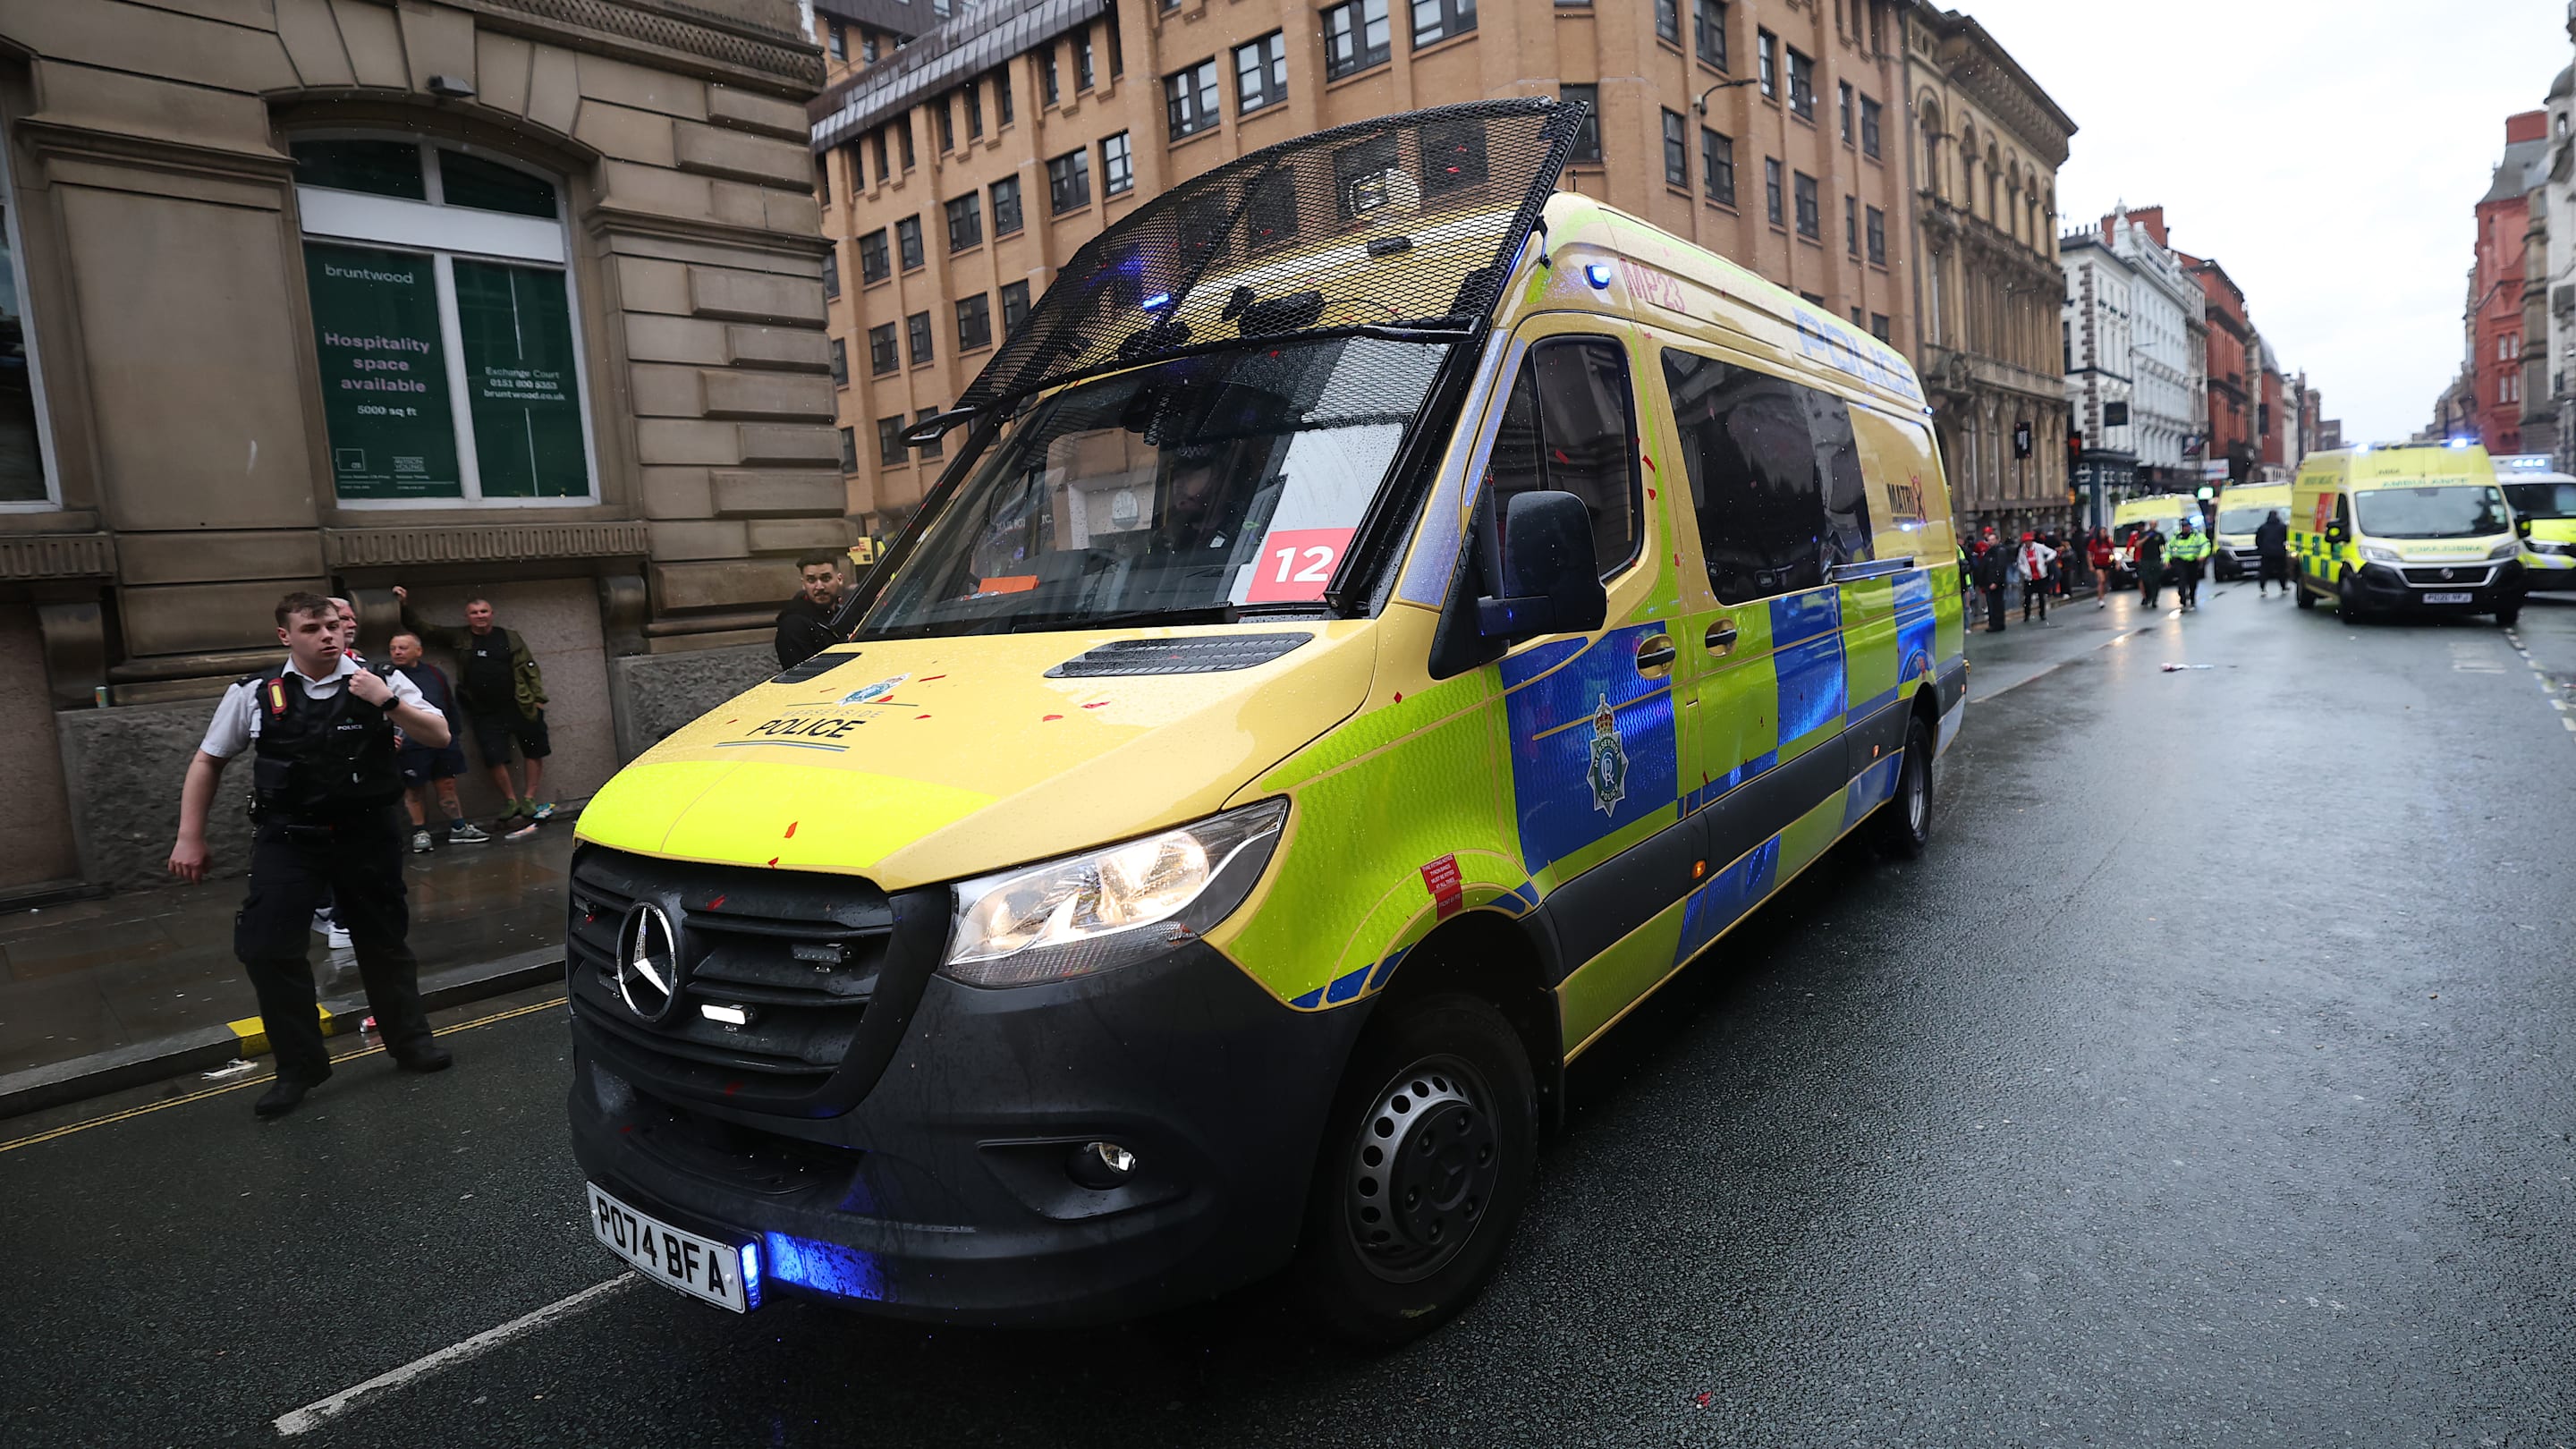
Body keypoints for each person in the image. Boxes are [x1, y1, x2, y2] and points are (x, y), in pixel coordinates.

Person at [165, 591, 454, 1117]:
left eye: (332, 626)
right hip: (290, 839)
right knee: (267, 947)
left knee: (383, 943)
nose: (326, 636)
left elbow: (438, 734)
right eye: (311, 628)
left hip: (367, 834)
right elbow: (208, 759)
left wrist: (385, 702)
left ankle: (410, 1043)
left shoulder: (381, 679)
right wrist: (190, 835)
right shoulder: (255, 692)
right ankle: (300, 1065)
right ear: (286, 636)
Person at [395, 587, 552, 839]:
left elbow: (529, 667)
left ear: (492, 614)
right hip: (484, 710)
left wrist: (538, 699)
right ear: (467, 617)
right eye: (474, 612)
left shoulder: (509, 637)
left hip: (520, 704)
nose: (480, 616)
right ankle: (511, 800)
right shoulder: (461, 637)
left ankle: (530, 798)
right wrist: (402, 605)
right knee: (493, 756)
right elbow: (426, 630)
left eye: (484, 611)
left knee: (534, 749)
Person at [387, 631, 487, 852]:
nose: (397, 652)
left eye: (403, 648)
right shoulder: (387, 675)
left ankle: (459, 827)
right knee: (413, 790)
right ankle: (420, 832)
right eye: (393, 648)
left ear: (418, 651)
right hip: (409, 744)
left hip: (441, 742)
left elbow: (448, 705)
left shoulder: (434, 673)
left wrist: (453, 735)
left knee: (447, 785)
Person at [775, 552, 849, 669]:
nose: (819, 587)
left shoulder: (843, 613)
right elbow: (801, 673)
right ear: (803, 584)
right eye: (811, 580)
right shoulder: (793, 624)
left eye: (826, 578)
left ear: (839, 579)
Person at [2168, 518, 2212, 610]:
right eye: (2184, 527)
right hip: (2180, 562)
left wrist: (2202, 555)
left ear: (2190, 527)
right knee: (2182, 580)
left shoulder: (2197, 535)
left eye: (2187, 526)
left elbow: (2206, 545)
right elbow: (2170, 549)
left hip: (2193, 561)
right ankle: (2183, 598)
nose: (2186, 528)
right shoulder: (2176, 537)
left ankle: (2192, 597)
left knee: (2193, 581)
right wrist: (2167, 559)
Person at [1972, 534, 2012, 631]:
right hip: (1988, 582)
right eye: (1989, 540)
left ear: (1997, 540)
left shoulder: (2000, 551)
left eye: (1992, 540)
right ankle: (1994, 623)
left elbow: (2001, 567)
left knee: (1997, 604)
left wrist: (1996, 581)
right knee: (1992, 604)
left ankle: (1997, 624)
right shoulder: (1990, 552)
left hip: (1995, 583)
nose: (1990, 542)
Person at [2017, 532, 2058, 623]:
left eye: (2029, 541)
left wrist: (2047, 560)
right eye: (2026, 542)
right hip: (2029, 577)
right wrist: (2025, 571)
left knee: (2041, 596)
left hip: (2040, 575)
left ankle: (2042, 614)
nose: (2028, 543)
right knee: (2027, 597)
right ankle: (2027, 615)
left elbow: (2053, 552)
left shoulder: (2039, 547)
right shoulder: (2022, 550)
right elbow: (2020, 563)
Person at [2255, 509, 2292, 597]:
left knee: (2264, 572)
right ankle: (2283, 587)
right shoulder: (2282, 527)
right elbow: (2287, 539)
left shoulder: (2262, 527)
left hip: (2266, 553)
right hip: (2279, 553)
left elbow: (2258, 540)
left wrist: (2261, 549)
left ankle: (2263, 589)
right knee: (2281, 571)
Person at [2134, 521, 2169, 609]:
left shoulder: (2159, 535)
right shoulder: (2144, 534)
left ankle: (2154, 599)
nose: (2153, 525)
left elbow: (2164, 547)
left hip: (2156, 560)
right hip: (2145, 560)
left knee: (2156, 580)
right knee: (2146, 579)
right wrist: (2146, 538)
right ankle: (2147, 596)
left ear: (2156, 525)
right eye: (2151, 524)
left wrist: (2166, 559)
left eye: (2154, 524)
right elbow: (2138, 544)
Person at [2086, 528, 2116, 606]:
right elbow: (2089, 554)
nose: (2104, 534)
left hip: (2107, 564)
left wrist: (2112, 561)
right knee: (2101, 580)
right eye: (2103, 532)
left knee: (2104, 581)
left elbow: (2113, 553)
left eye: (2105, 532)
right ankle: (2100, 599)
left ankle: (2102, 594)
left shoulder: (2109, 543)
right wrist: (2090, 565)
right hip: (2098, 564)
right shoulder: (2094, 543)